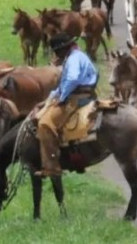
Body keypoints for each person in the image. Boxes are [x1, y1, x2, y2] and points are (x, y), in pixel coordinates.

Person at [35, 33, 99, 177]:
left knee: (44, 123)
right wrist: (48, 100)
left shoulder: (73, 59)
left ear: (63, 49)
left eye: (58, 52)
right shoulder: (77, 56)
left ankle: (52, 166)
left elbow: (72, 79)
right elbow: (62, 86)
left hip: (78, 98)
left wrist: (62, 98)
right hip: (82, 94)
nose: (57, 55)